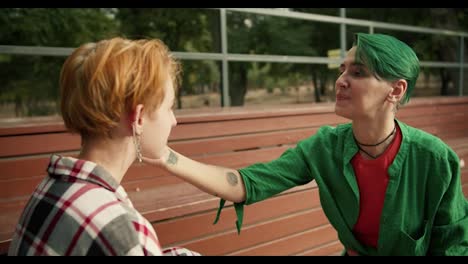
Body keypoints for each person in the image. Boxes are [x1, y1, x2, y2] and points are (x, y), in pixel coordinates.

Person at [143, 33, 468, 256]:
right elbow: (245, 184)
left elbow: (453, 246)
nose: (340, 80)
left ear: (395, 91)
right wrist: (163, 156)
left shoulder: (435, 159)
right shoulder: (323, 147)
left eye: (358, 72)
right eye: (342, 69)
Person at [8, 37, 199, 256]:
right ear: (138, 119)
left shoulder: (49, 190)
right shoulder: (123, 230)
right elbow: (124, 243)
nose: (174, 120)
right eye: (169, 107)